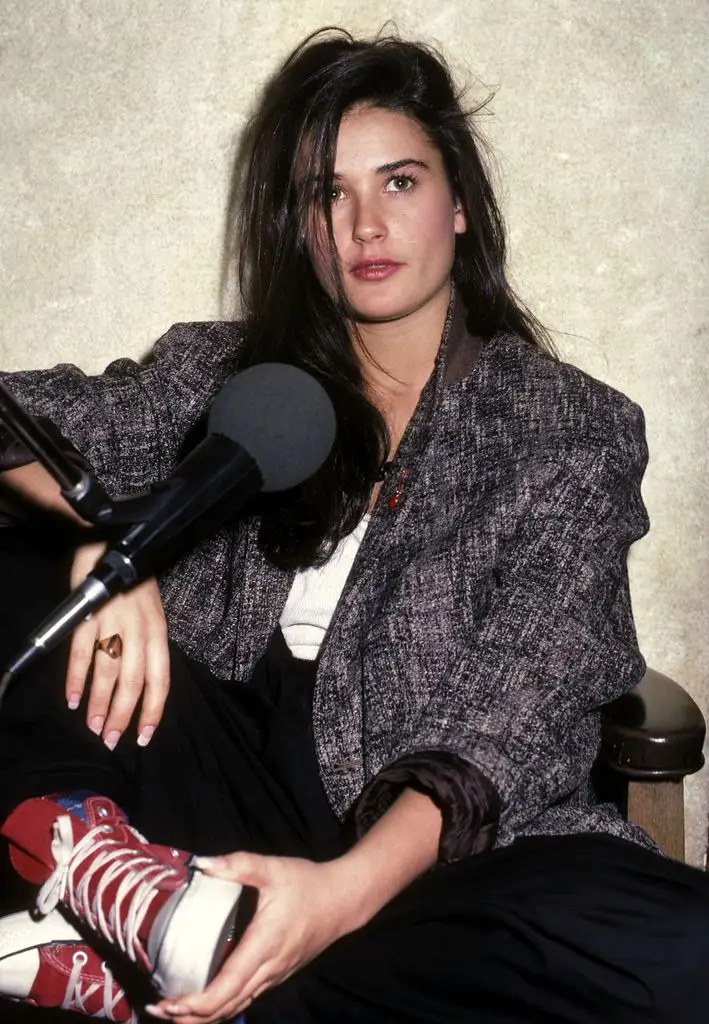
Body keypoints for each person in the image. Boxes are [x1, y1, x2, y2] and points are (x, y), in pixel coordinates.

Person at [0, 26, 707, 1024]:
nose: (364, 223)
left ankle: (161, 962)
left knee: (678, 955)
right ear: (298, 224)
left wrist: (336, 898)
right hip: (211, 802)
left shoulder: (568, 427)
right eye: (329, 193)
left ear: (459, 203)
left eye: (399, 182)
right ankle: (112, 881)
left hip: (440, 856)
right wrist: (107, 541)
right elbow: (20, 427)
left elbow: (519, 706)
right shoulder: (218, 372)